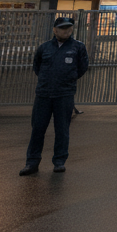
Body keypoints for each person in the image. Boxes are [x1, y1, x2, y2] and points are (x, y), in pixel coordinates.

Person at [20, 17, 88, 176]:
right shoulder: (44, 48)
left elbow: (82, 67)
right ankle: (32, 162)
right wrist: (47, 80)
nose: (67, 31)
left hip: (64, 94)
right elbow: (37, 66)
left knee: (62, 129)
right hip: (44, 94)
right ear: (55, 30)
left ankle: (59, 161)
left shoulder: (78, 47)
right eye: (63, 28)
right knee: (38, 128)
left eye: (69, 28)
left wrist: (68, 79)